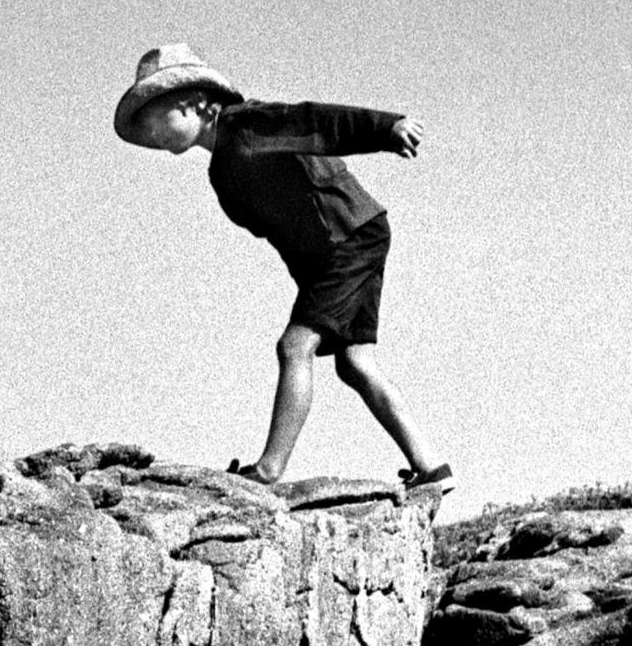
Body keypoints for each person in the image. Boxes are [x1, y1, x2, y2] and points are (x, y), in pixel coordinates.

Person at [114, 42, 452, 495]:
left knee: (295, 347)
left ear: (195, 101)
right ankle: (432, 468)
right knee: (354, 362)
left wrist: (386, 129)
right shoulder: (223, 170)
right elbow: (285, 234)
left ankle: (268, 471)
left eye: (157, 117)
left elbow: (315, 122)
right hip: (343, 246)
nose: (152, 132)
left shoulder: (248, 124)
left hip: (348, 236)